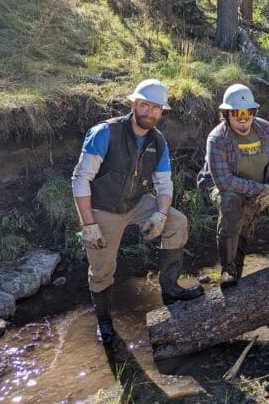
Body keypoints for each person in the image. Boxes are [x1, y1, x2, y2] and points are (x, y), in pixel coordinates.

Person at [71, 78, 204, 345]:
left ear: (161, 112)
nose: (150, 112)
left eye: (156, 108)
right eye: (145, 105)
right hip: (103, 208)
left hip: (136, 203)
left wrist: (161, 215)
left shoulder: (158, 141)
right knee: (102, 270)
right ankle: (105, 321)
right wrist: (88, 224)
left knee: (177, 222)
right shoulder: (105, 133)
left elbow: (164, 182)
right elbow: (80, 178)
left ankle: (171, 291)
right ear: (133, 104)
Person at [197, 84, 269, 287]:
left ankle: (236, 274)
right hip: (222, 187)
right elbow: (224, 181)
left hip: (258, 187)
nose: (243, 117)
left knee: (244, 226)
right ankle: (228, 268)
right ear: (226, 114)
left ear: (254, 112)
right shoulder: (218, 138)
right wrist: (261, 189)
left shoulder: (265, 129)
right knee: (232, 203)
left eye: (248, 112)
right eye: (236, 112)